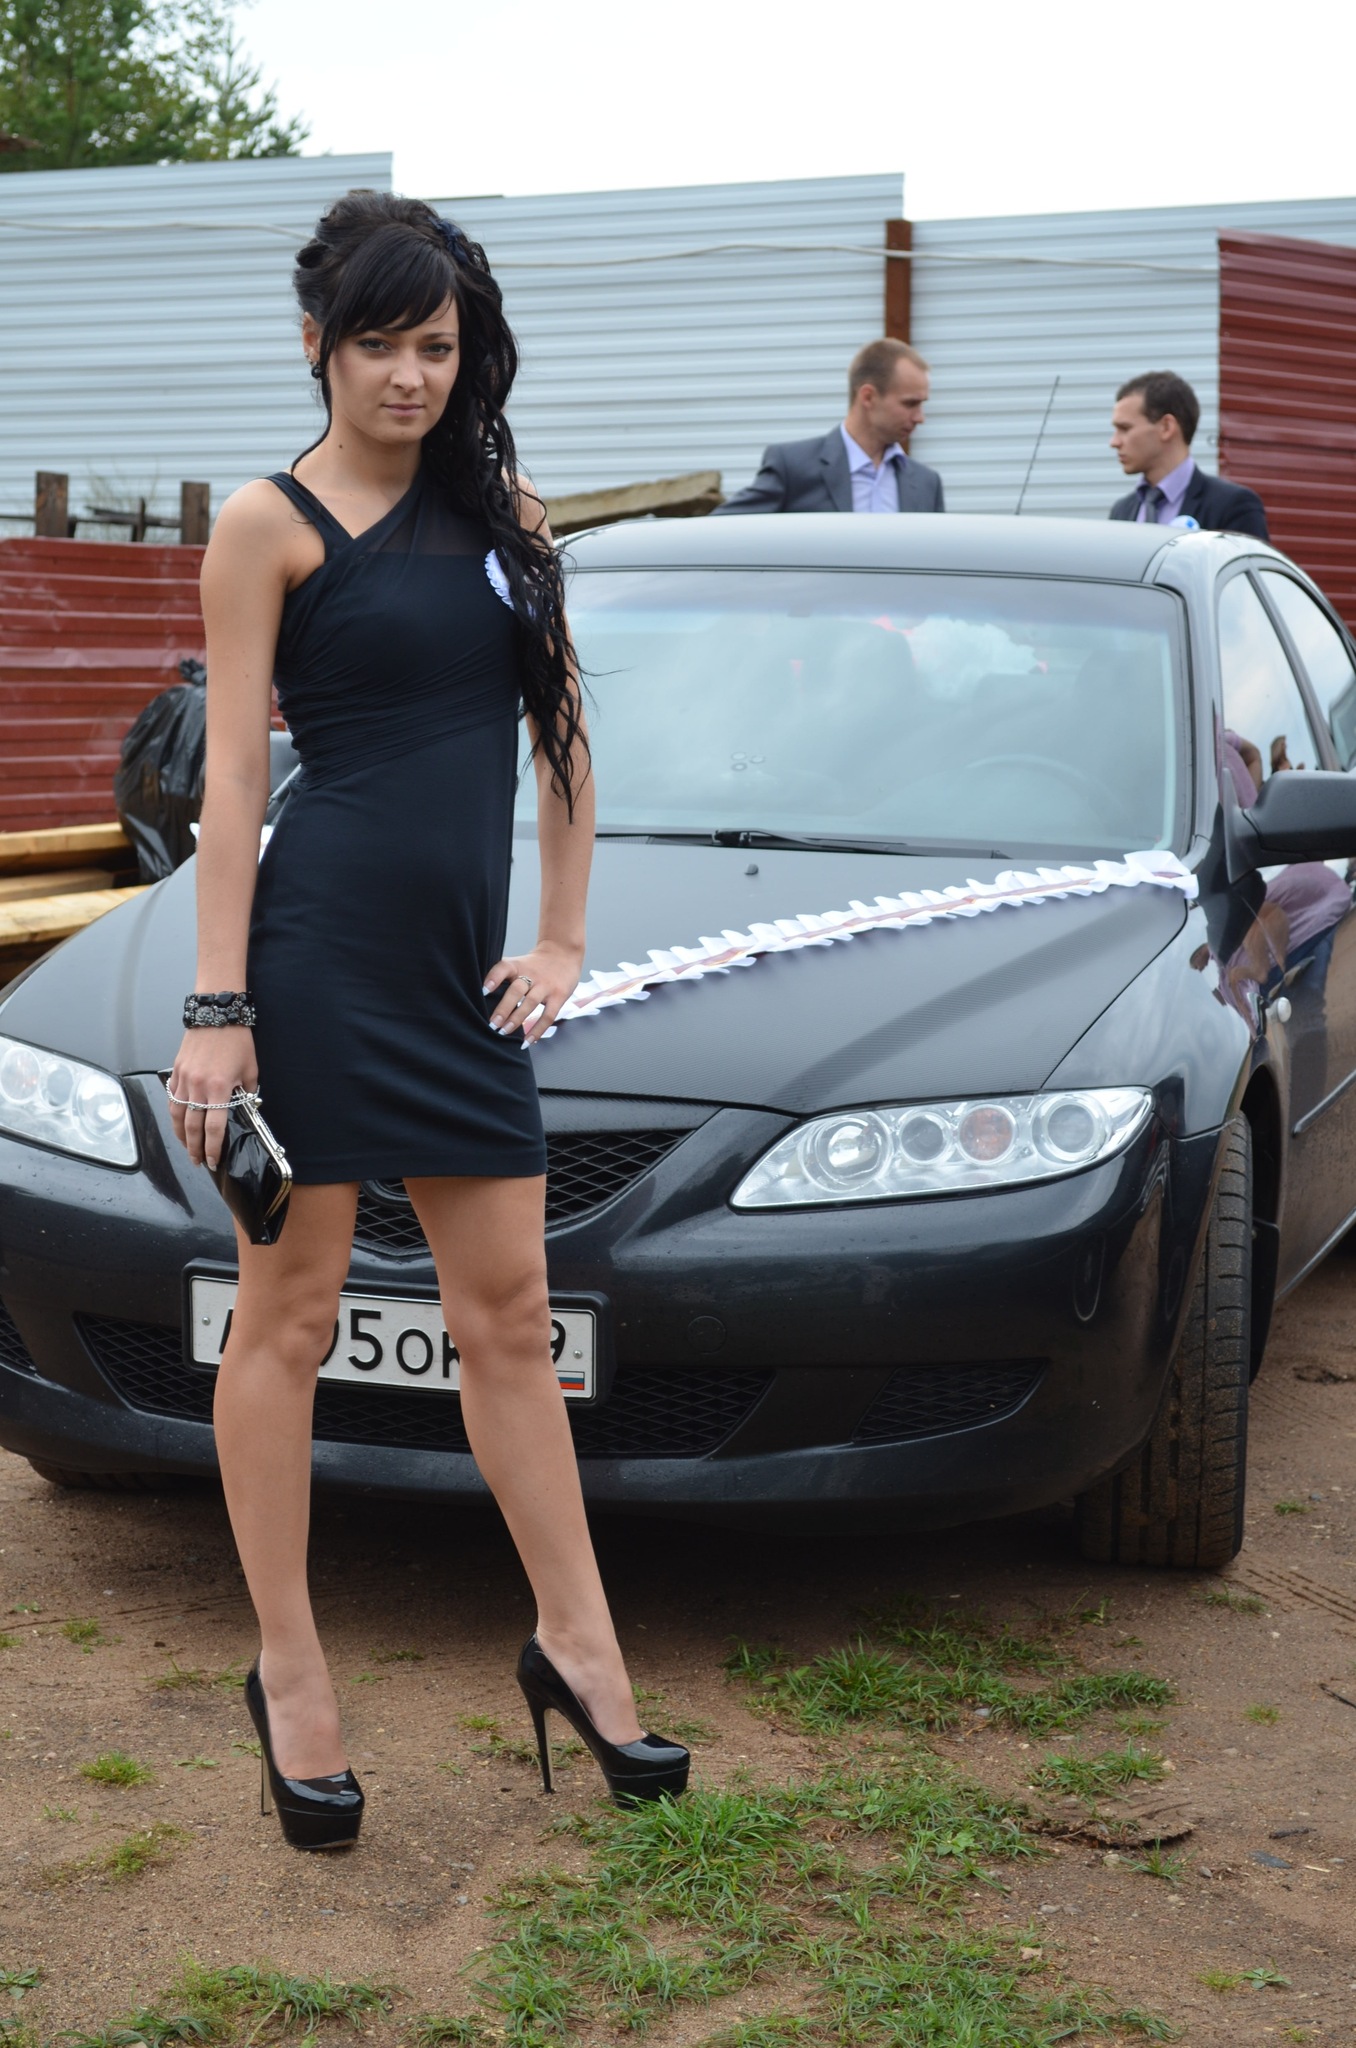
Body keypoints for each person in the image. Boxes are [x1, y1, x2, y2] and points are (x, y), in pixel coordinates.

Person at [165, 190, 689, 1851]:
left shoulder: (506, 515)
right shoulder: (265, 525)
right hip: (316, 964)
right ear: (316, 344)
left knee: (511, 1314)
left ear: (473, 356)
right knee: (289, 1316)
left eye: (439, 346)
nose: (410, 375)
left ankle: (580, 1644)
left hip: (462, 984)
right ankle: (292, 1670)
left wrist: (564, 932)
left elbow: (564, 736)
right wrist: (219, 1007)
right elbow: (232, 781)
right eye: (380, 343)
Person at [714, 338, 945, 515]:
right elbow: (718, 530)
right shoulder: (792, 468)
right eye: (910, 404)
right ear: (868, 397)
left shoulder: (927, 483)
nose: (920, 418)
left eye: (921, 404)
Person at [1109, 371, 1269, 538]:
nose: (1114, 442)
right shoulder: (1121, 512)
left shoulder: (1232, 506)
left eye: (1125, 428)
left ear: (1166, 427)